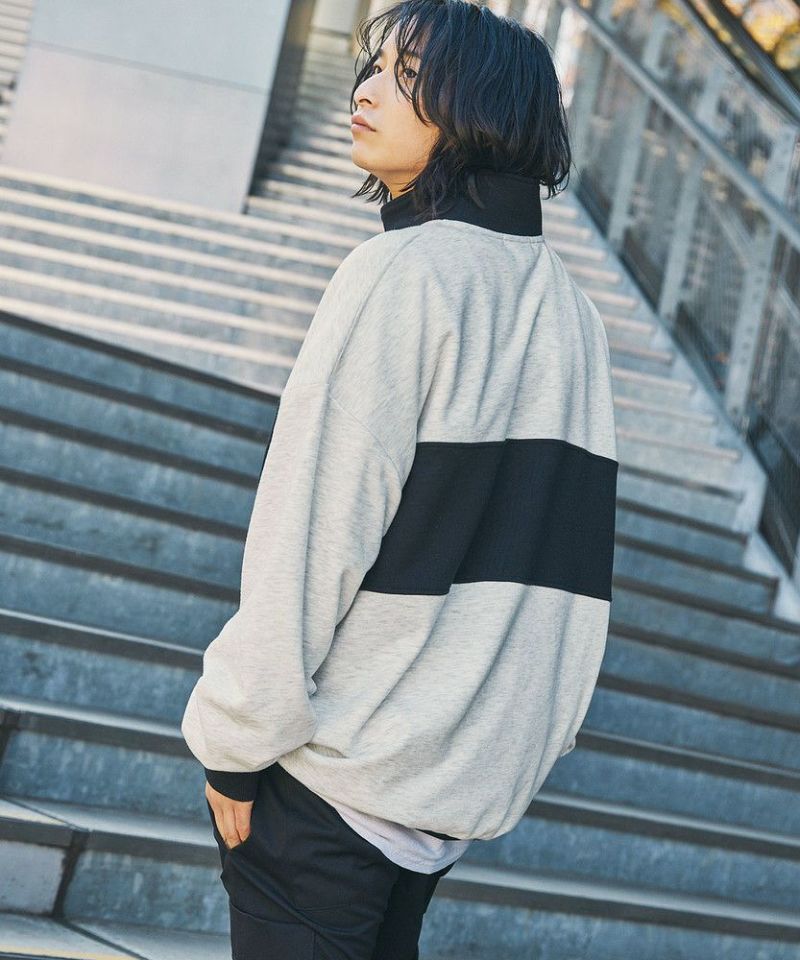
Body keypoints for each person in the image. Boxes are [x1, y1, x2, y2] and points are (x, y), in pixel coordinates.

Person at [181, 1, 618, 957]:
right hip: (441, 799)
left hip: (331, 789)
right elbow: (570, 581)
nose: (368, 90)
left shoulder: (402, 271)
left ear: (478, 108)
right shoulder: (573, 316)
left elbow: (311, 531)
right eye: (372, 66)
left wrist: (234, 741)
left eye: (408, 74)